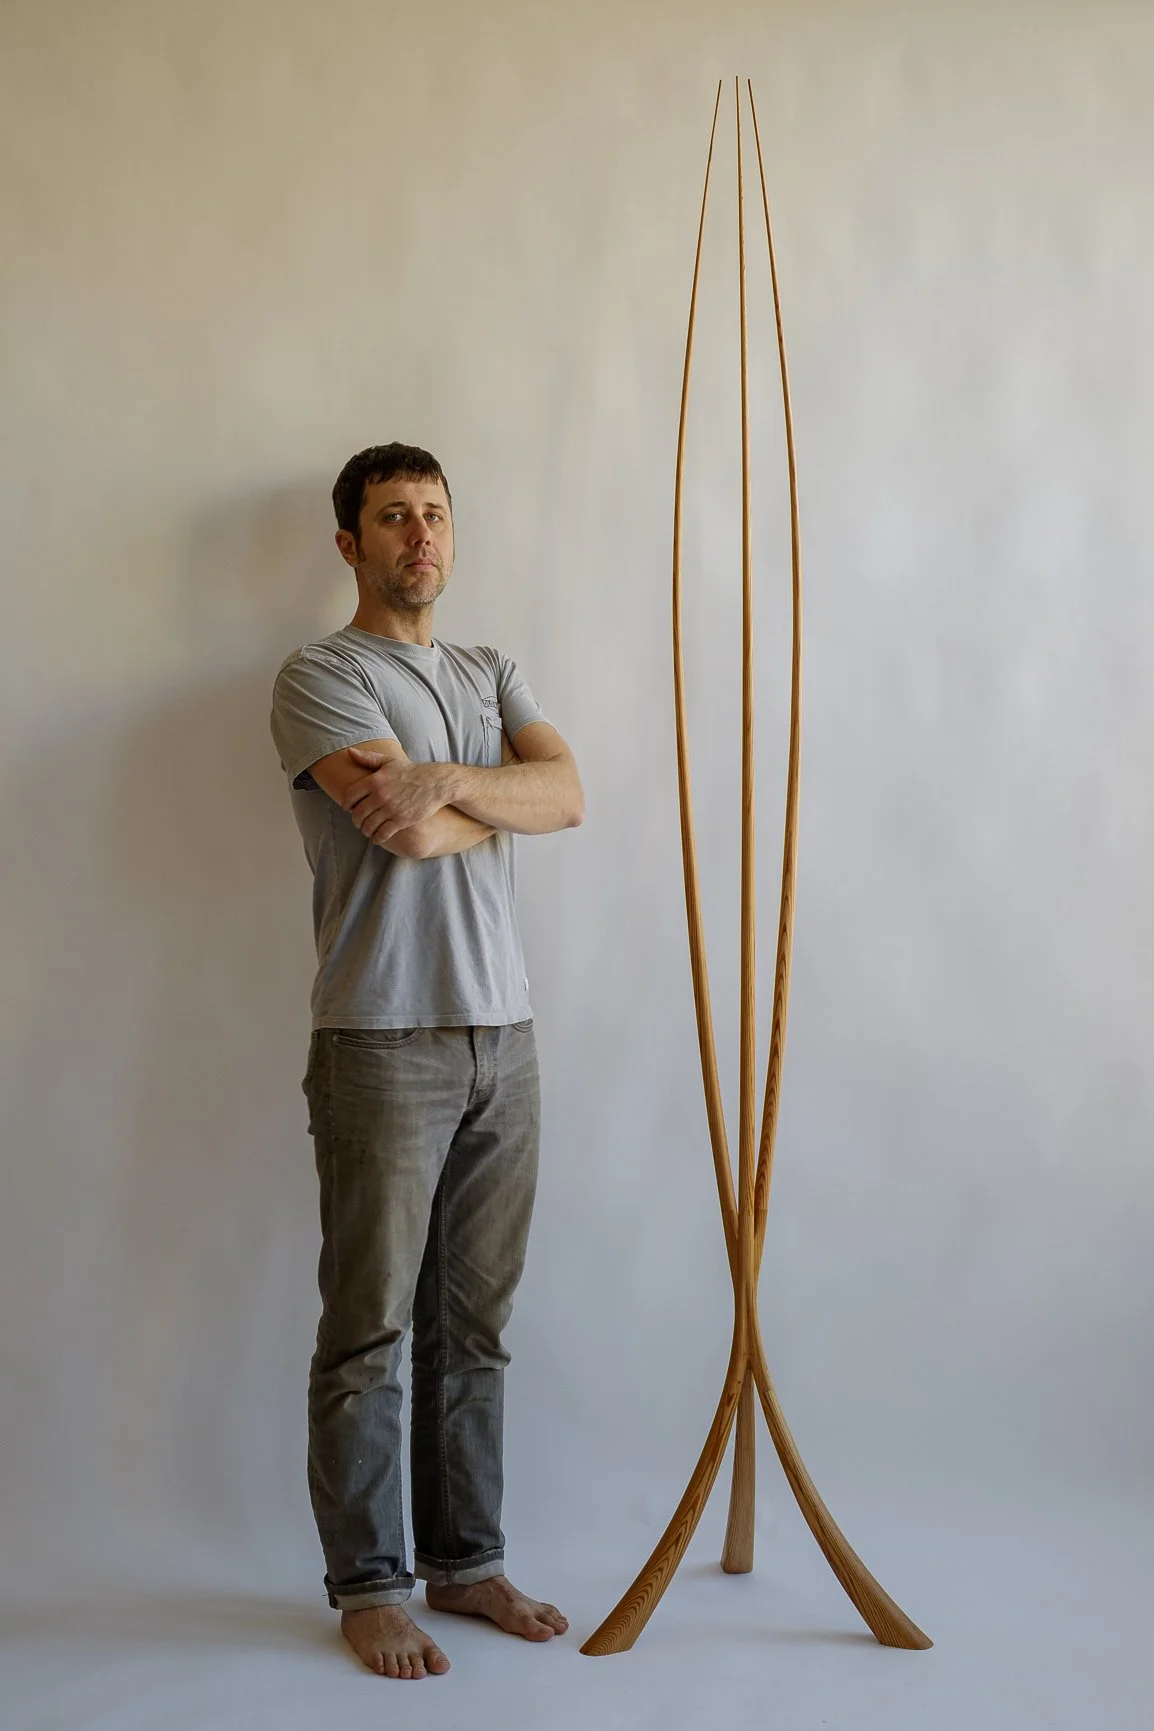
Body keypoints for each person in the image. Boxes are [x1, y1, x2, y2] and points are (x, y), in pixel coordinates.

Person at [270, 442, 583, 1679]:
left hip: (505, 1035)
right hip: (380, 1036)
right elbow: (396, 830)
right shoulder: (322, 674)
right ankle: (368, 1588)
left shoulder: (487, 668)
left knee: (476, 1327)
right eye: (394, 516)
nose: (420, 535)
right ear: (349, 544)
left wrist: (451, 780)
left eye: (435, 514)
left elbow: (567, 793)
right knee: (370, 1330)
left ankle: (466, 1564)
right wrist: (497, 796)